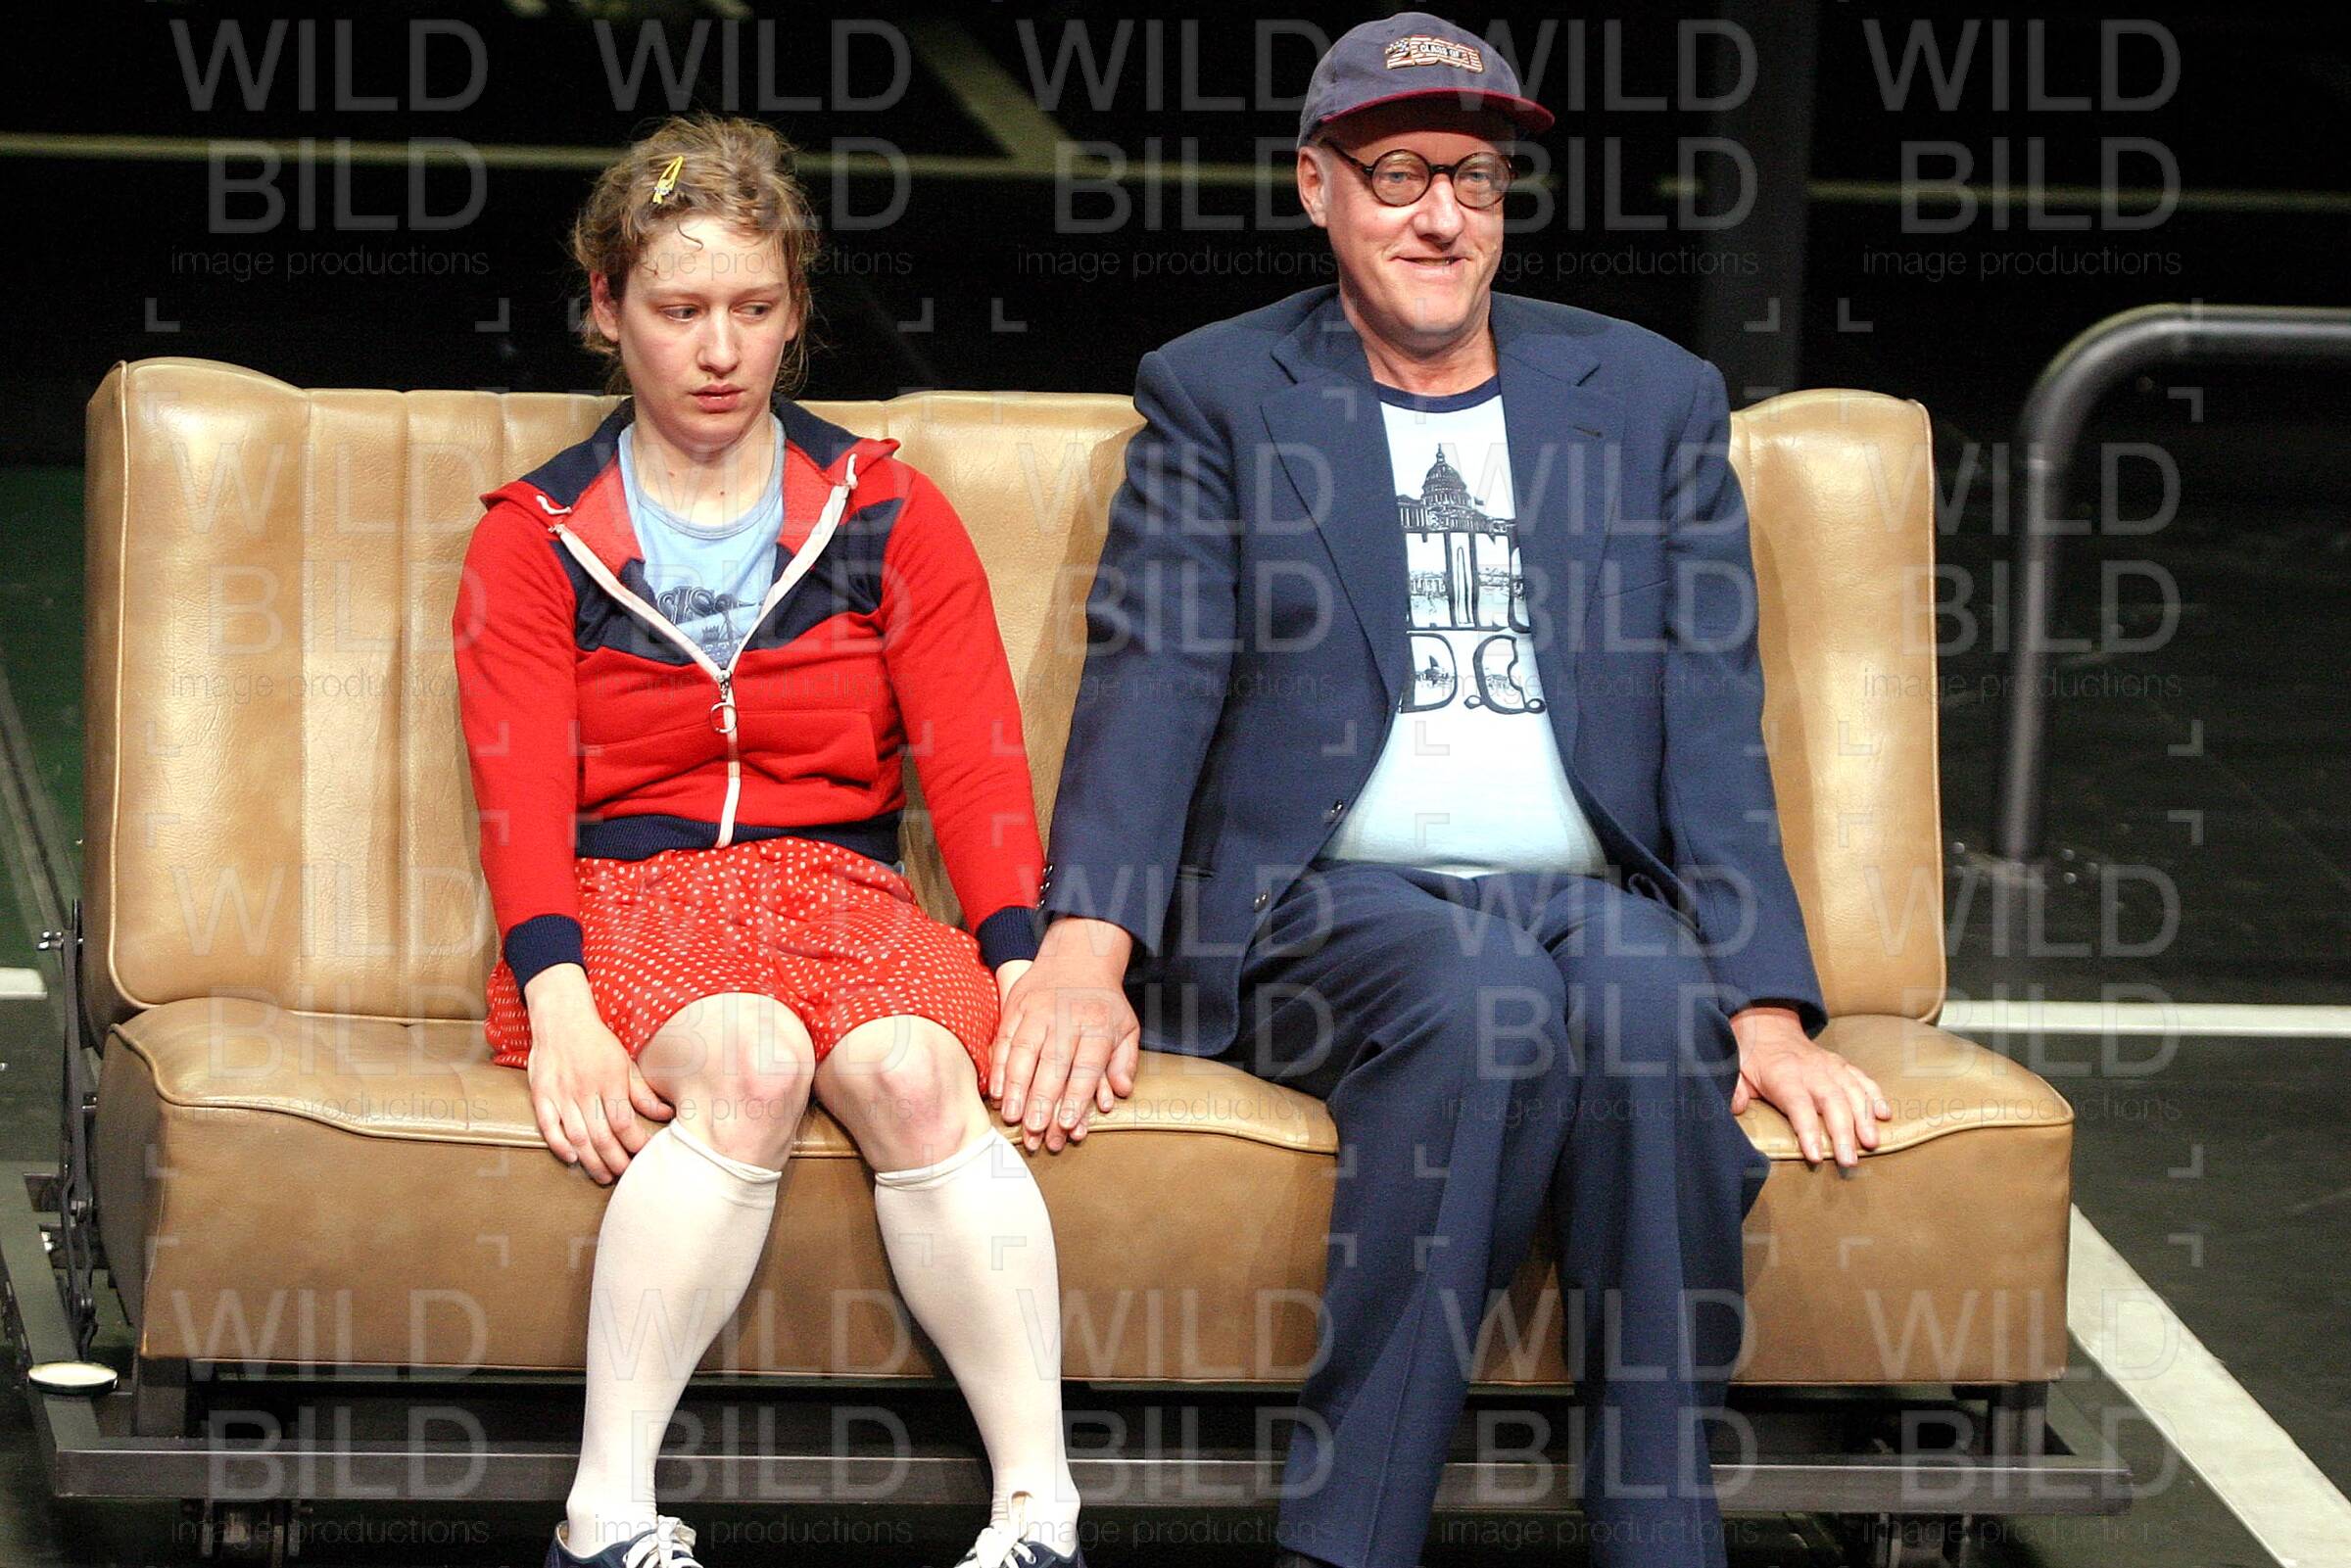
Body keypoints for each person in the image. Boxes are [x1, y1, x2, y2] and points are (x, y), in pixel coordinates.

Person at [994, 15, 1893, 1568]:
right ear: (1317, 187)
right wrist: (1085, 947)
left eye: (1474, 178)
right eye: (1398, 173)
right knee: (1483, 995)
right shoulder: (1221, 394)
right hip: (1325, 908)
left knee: (1641, 997)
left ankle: (1661, 1536)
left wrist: (1762, 999)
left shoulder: (1648, 397)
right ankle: (1349, 1541)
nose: (1440, 216)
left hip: (1580, 894)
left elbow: (1709, 712)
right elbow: (1158, 674)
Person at [452, 114, 1082, 1568]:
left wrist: (1021, 960)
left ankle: (1040, 1515)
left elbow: (976, 757)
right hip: (630, 895)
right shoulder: (537, 532)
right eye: (679, 311)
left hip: (845, 892)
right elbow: (517, 787)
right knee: (749, 1058)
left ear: (797, 312)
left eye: (753, 307)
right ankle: (606, 1516)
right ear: (606, 310)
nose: (719, 350)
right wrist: (556, 997)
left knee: (919, 1071)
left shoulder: (886, 507)